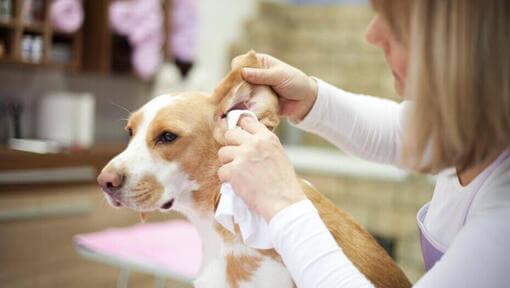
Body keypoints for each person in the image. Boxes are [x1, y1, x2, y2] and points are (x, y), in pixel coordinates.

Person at [217, 0, 510, 287]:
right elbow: (399, 131)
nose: (372, 34)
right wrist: (309, 98)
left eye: (396, 27)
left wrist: (282, 202)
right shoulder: (478, 122)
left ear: (462, 50)